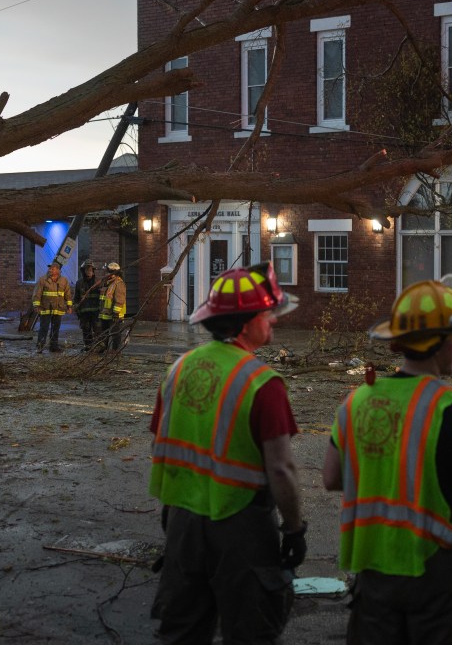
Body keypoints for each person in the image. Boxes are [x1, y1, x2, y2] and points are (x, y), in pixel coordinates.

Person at [322, 279, 452, 645]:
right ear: (435, 344)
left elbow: (331, 477)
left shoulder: (356, 402)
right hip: (439, 577)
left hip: (373, 574)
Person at [149, 262, 304, 644]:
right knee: (251, 632)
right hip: (241, 528)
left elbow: (161, 442)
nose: (273, 321)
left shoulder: (180, 368)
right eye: (267, 313)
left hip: (182, 522)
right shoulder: (263, 384)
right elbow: (281, 469)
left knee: (182, 630)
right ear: (246, 322)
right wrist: (294, 526)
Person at [31, 262, 72, 353]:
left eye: (52, 269)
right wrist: (36, 305)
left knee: (55, 329)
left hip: (58, 309)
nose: (50, 270)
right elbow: (37, 294)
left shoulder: (64, 281)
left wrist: (69, 306)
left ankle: (54, 347)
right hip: (46, 309)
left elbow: (68, 295)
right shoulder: (43, 280)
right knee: (44, 328)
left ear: (58, 270)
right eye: (50, 269)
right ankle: (40, 346)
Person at [97, 262, 127, 353]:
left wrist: (116, 313)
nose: (107, 274)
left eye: (109, 272)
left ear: (114, 273)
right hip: (105, 313)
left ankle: (115, 350)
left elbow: (119, 300)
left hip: (115, 315)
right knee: (103, 333)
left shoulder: (119, 283)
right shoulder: (106, 283)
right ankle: (103, 348)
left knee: (115, 334)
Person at [73, 261, 102, 351]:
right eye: (87, 269)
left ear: (93, 270)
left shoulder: (98, 282)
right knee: (86, 330)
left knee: (97, 330)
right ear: (83, 271)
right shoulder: (79, 283)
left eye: (90, 269)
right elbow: (76, 298)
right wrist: (76, 308)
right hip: (84, 312)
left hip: (96, 311)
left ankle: (99, 346)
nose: (89, 271)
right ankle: (88, 346)